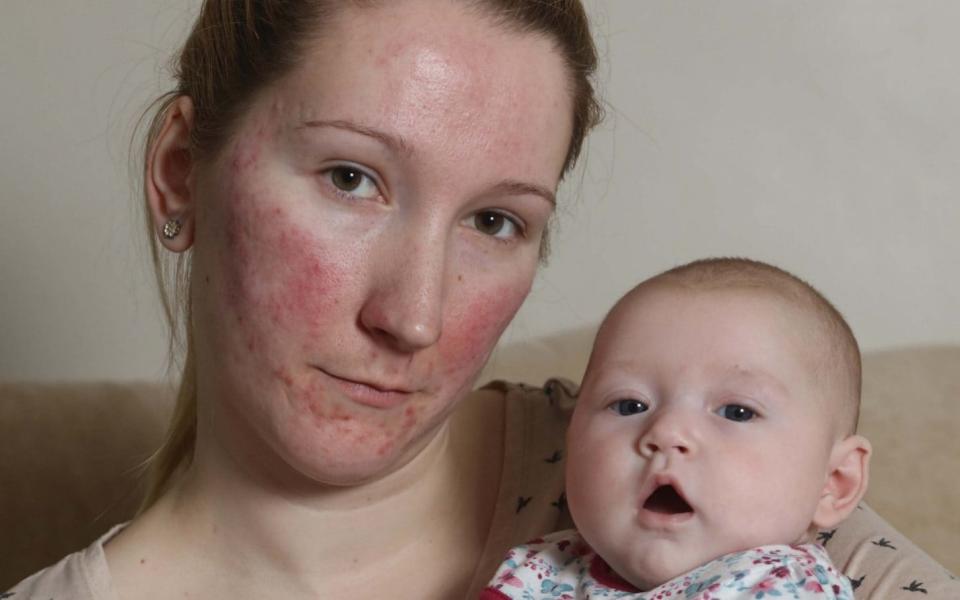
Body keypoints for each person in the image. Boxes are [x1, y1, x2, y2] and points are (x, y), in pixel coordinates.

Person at [9, 1, 602, 598]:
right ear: (180, 170)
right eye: (350, 178)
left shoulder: (670, 484)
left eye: (494, 221)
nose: (413, 319)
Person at [482, 258, 871, 599]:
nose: (666, 432)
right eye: (629, 405)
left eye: (736, 412)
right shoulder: (541, 571)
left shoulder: (783, 585)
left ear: (834, 483)